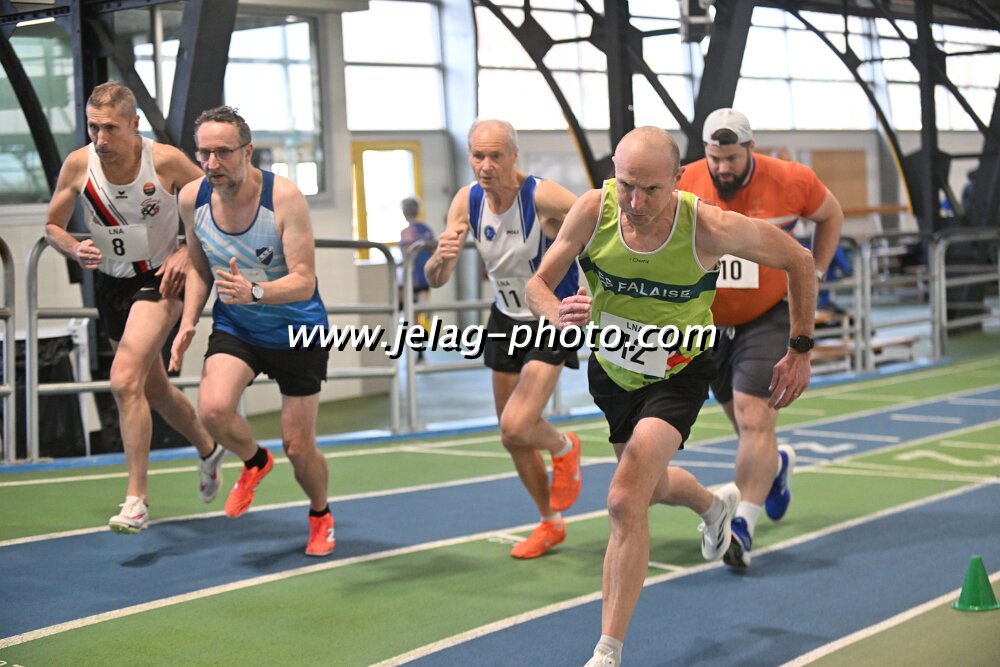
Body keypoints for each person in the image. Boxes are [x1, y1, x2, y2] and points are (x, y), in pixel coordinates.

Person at [526, 126, 816, 666]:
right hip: (613, 371)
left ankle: (607, 652)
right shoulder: (593, 210)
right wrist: (556, 313)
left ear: (678, 180)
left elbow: (798, 260)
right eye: (626, 185)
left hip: (679, 371)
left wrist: (798, 348)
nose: (635, 203)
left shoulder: (708, 226)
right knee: (651, 487)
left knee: (623, 499)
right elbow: (537, 284)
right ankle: (713, 504)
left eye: (651, 190)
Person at [43, 81, 224, 534]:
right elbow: (52, 225)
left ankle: (137, 499)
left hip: (160, 280)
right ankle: (209, 448)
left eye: (110, 128)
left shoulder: (164, 161)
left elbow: (215, 204)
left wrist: (186, 251)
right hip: (111, 285)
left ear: (134, 124)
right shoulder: (79, 164)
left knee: (124, 380)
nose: (100, 138)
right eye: (93, 127)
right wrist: (72, 247)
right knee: (154, 390)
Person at [677, 108, 844, 570]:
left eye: (731, 158)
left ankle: (743, 525)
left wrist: (815, 274)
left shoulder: (792, 180)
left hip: (768, 314)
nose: (723, 168)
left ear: (751, 148)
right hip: (707, 321)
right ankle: (776, 467)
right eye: (715, 158)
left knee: (754, 418)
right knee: (746, 424)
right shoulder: (684, 182)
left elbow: (831, 215)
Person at [168, 106, 334, 557]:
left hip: (297, 330)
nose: (212, 163)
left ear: (247, 152)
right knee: (213, 411)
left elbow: (304, 281)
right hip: (238, 326)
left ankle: (320, 514)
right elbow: (199, 267)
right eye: (204, 153)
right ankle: (255, 461)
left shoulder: (284, 198)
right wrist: (188, 322)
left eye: (223, 152)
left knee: (299, 448)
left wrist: (255, 291)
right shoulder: (192, 199)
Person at [423, 119, 583, 559]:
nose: (486, 166)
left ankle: (565, 447)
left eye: (496, 156)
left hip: (550, 314)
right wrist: (440, 258)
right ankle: (549, 522)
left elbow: (596, 221)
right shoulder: (467, 200)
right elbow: (436, 279)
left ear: (514, 156)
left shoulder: (541, 196)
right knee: (511, 436)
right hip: (505, 317)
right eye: (478, 156)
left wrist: (589, 274)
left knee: (518, 423)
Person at [398, 196, 435, 356]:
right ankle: (420, 349)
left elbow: (406, 256)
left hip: (412, 280)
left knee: (413, 313)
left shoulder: (406, 232)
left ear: (404, 213)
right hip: (425, 278)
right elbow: (434, 252)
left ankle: (418, 348)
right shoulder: (427, 230)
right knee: (422, 311)